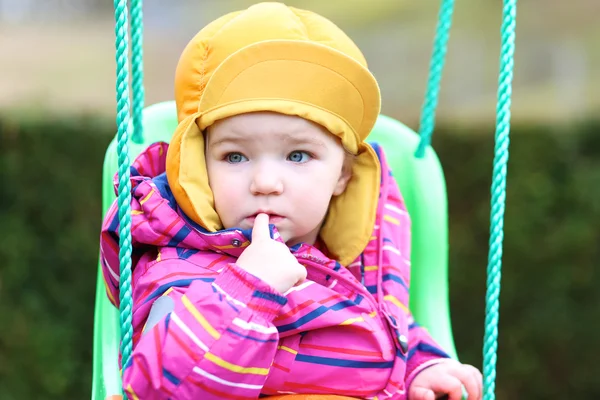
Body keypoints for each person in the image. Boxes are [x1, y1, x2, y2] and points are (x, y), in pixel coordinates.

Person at [100, 3, 482, 399]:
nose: (265, 183)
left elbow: (388, 329)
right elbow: (160, 387)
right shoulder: (180, 273)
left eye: (298, 156)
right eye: (235, 156)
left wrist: (421, 366)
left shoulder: (358, 258)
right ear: (198, 167)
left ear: (343, 175)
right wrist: (247, 289)